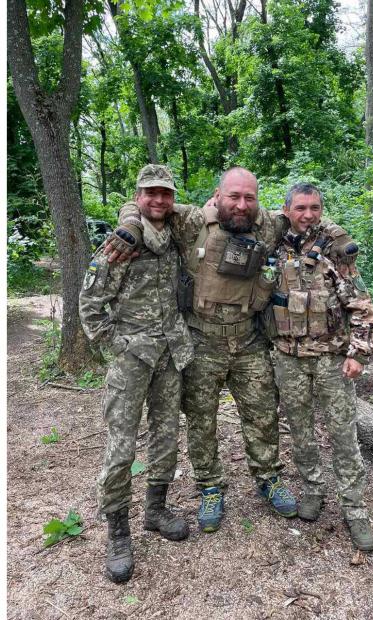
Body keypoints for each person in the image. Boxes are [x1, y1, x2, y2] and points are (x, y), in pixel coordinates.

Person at [106, 167, 297, 533]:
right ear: (217, 195)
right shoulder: (192, 221)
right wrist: (129, 225)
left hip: (248, 340)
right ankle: (210, 485)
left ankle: (268, 477)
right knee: (201, 420)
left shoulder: (270, 226)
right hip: (200, 341)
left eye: (249, 198)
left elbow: (309, 218)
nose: (241, 205)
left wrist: (338, 238)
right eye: (234, 196)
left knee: (262, 414)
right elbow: (144, 205)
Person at [79, 164, 194, 583]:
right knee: (121, 446)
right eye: (150, 194)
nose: (158, 201)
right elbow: (90, 302)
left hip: (170, 354)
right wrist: (117, 343)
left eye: (166, 194)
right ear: (138, 196)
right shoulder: (122, 242)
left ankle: (156, 510)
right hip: (131, 359)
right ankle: (118, 531)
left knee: (166, 437)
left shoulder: (176, 237)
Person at [268, 182, 373, 550]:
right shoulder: (274, 246)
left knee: (343, 434)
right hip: (288, 358)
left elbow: (361, 305)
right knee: (300, 430)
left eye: (315, 207)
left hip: (332, 358)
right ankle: (313, 490)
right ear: (287, 210)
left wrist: (358, 353)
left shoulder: (333, 249)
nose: (308, 214)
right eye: (301, 208)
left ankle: (355, 508)